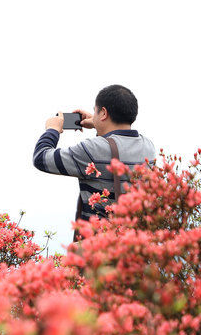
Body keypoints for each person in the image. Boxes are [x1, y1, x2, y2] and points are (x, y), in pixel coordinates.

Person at [32, 84, 156, 233]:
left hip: (99, 246)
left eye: (95, 111)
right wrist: (99, 124)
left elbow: (41, 158)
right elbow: (114, 146)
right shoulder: (148, 147)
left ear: (104, 113)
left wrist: (52, 130)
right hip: (134, 244)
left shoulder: (92, 150)